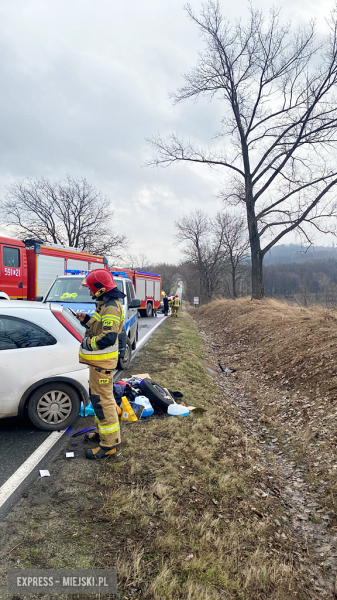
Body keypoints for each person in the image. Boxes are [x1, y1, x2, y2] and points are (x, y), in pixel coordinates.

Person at [76, 269, 125, 460]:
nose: (89, 292)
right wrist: (86, 320)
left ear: (99, 289)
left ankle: (109, 445)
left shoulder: (111, 307)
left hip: (102, 363)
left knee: (104, 402)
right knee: (98, 400)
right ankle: (101, 433)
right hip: (98, 364)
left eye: (90, 288)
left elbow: (108, 337)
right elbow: (98, 327)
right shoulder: (103, 305)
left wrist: (88, 343)